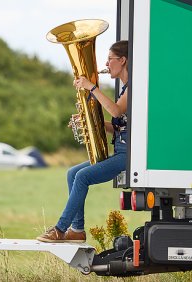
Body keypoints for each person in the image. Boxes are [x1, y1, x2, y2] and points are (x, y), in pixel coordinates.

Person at [37, 40, 129, 243]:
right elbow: (118, 126)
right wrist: (88, 121)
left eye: (110, 59)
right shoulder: (124, 90)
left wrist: (91, 87)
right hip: (121, 152)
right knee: (72, 173)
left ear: (122, 60)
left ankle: (60, 229)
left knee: (83, 177)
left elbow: (115, 110)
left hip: (129, 156)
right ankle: (77, 230)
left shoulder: (133, 88)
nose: (106, 63)